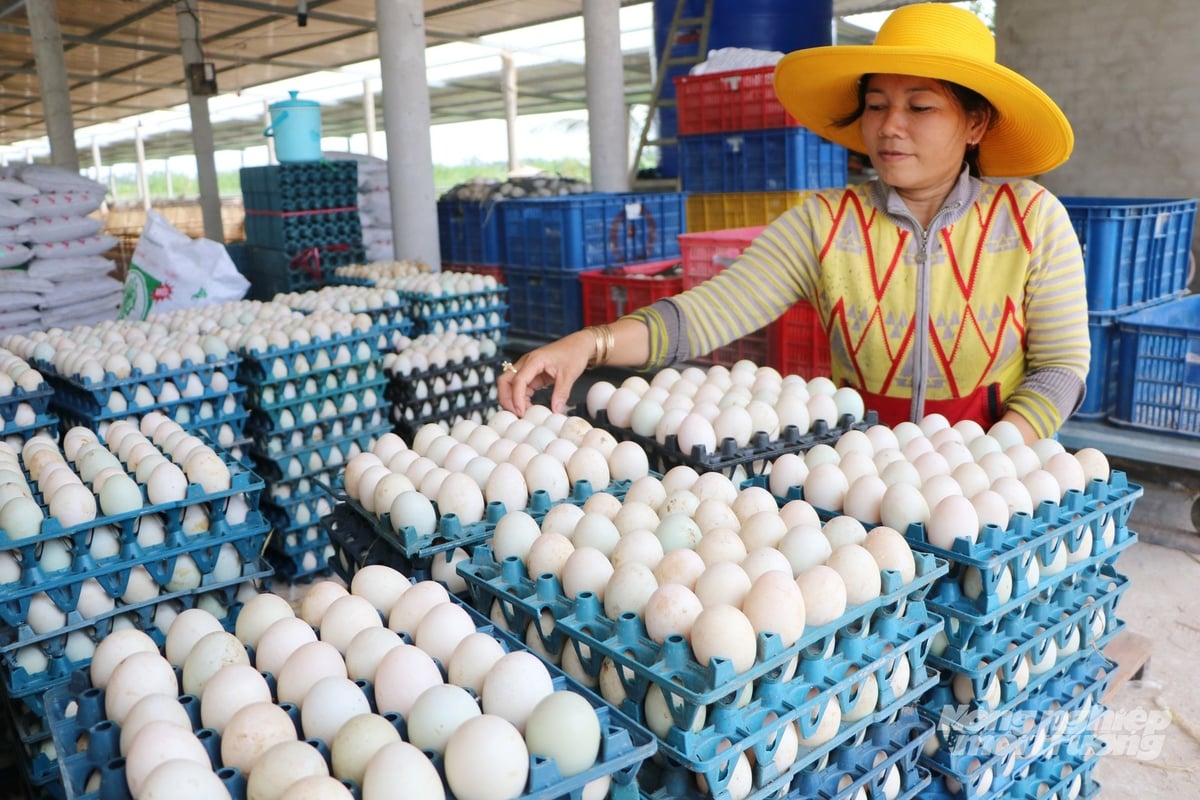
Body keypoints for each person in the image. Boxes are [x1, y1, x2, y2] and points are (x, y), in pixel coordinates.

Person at [498, 3, 1089, 445]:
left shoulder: (1030, 218)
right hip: (862, 465)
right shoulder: (826, 223)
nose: (889, 126)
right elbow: (704, 315)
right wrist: (590, 343)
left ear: (976, 124)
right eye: (876, 104)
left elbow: (1061, 368)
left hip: (996, 472)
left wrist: (995, 454)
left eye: (920, 106)